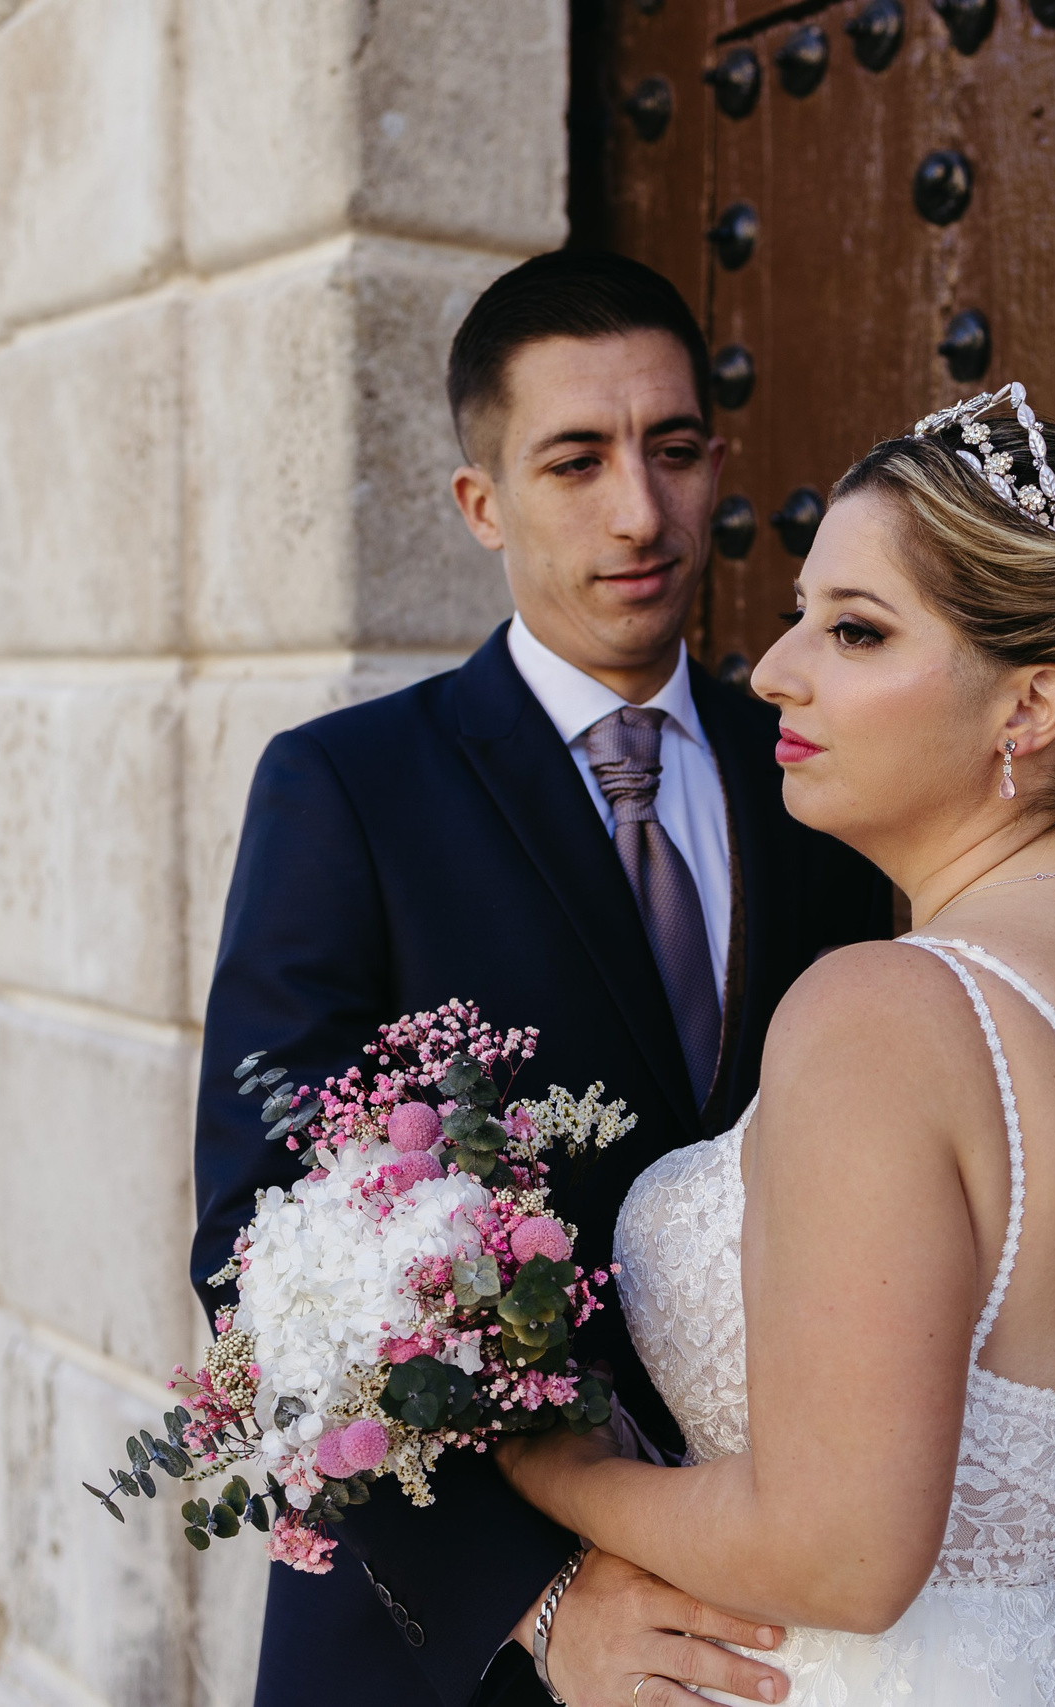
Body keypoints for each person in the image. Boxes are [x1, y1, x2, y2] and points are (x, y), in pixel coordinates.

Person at [495, 385, 1055, 1706]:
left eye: (858, 631)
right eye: (797, 618)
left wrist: (548, 1464)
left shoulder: (884, 1013)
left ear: (1030, 707)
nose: (774, 672)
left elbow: (843, 1559)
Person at [190, 250, 894, 1707]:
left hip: (785, 1621)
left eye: (677, 450)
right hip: (467, 1654)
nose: (642, 512)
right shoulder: (347, 791)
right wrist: (537, 1599)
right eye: (575, 461)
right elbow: (262, 1249)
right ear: (482, 505)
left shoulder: (821, 779)